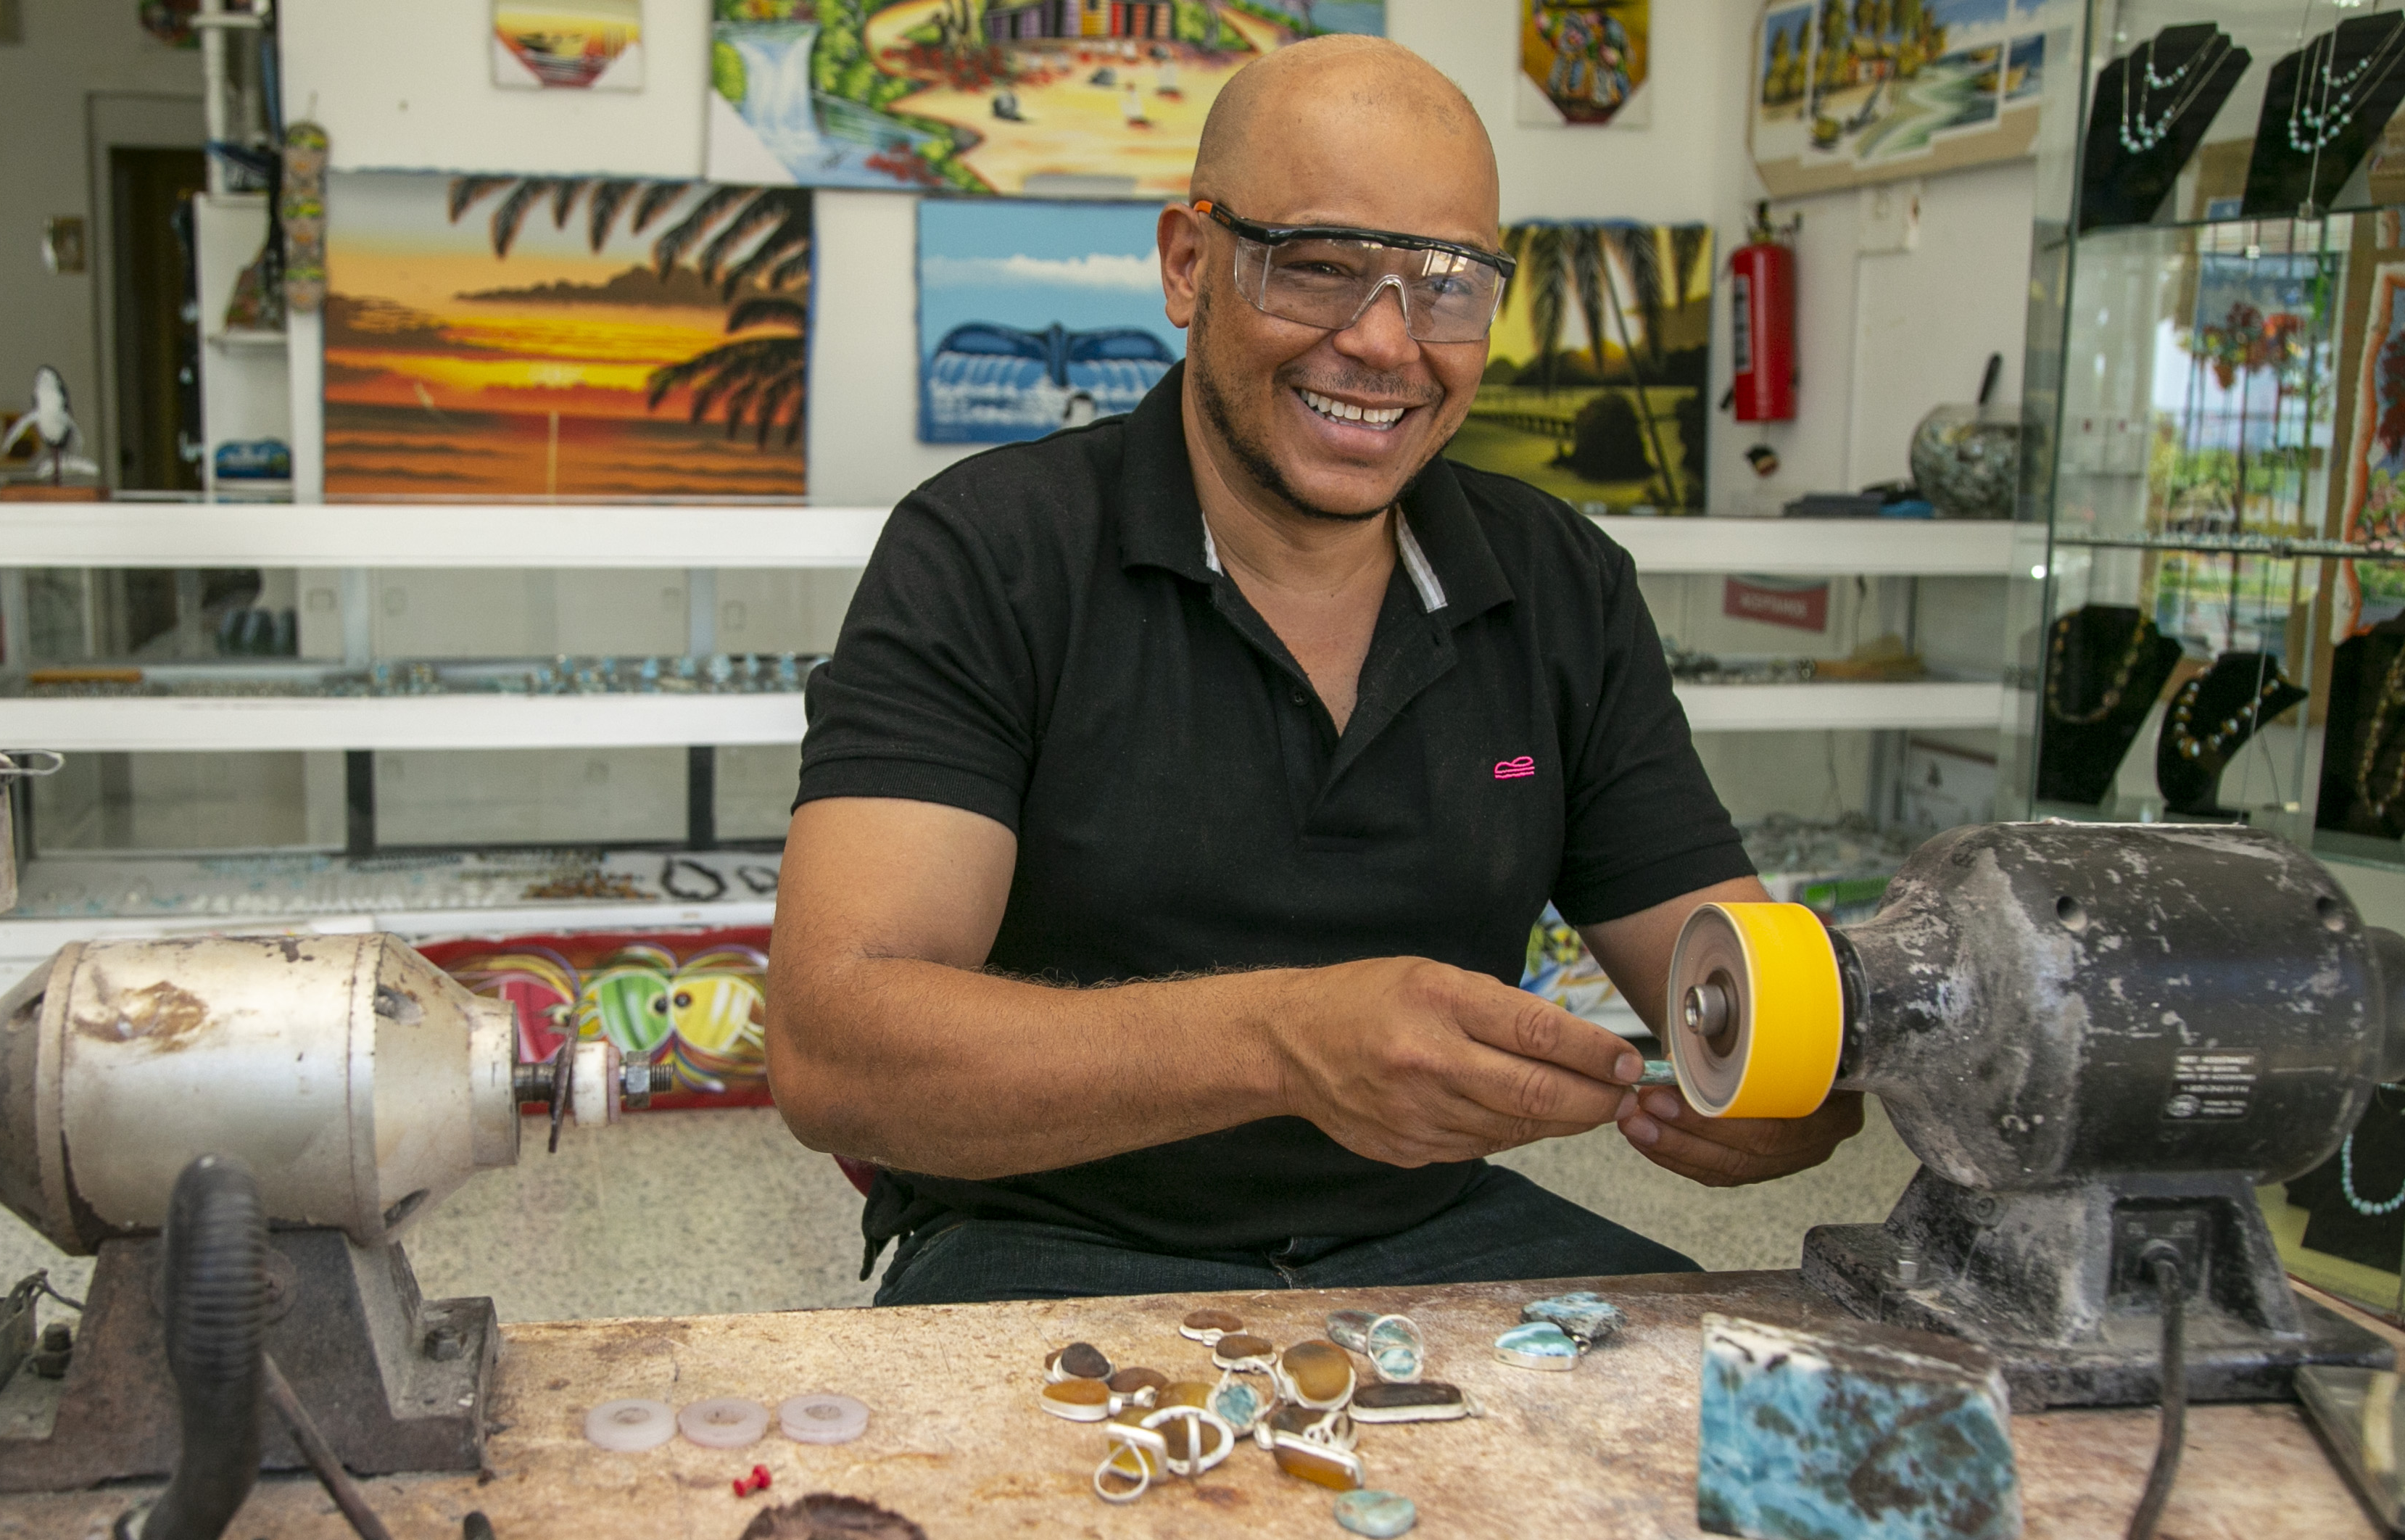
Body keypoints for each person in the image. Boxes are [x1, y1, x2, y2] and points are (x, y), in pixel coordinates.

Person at [766, 36, 1861, 1307]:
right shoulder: (991, 553)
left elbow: (1747, 991)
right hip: (1046, 1237)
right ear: (1189, 264)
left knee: (1748, 1405)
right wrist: (1286, 1043)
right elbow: (833, 1049)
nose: (1387, 342)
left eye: (1447, 285)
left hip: (1437, 1229)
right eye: (1322, 266)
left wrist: (1798, 1078)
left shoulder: (1561, 584)